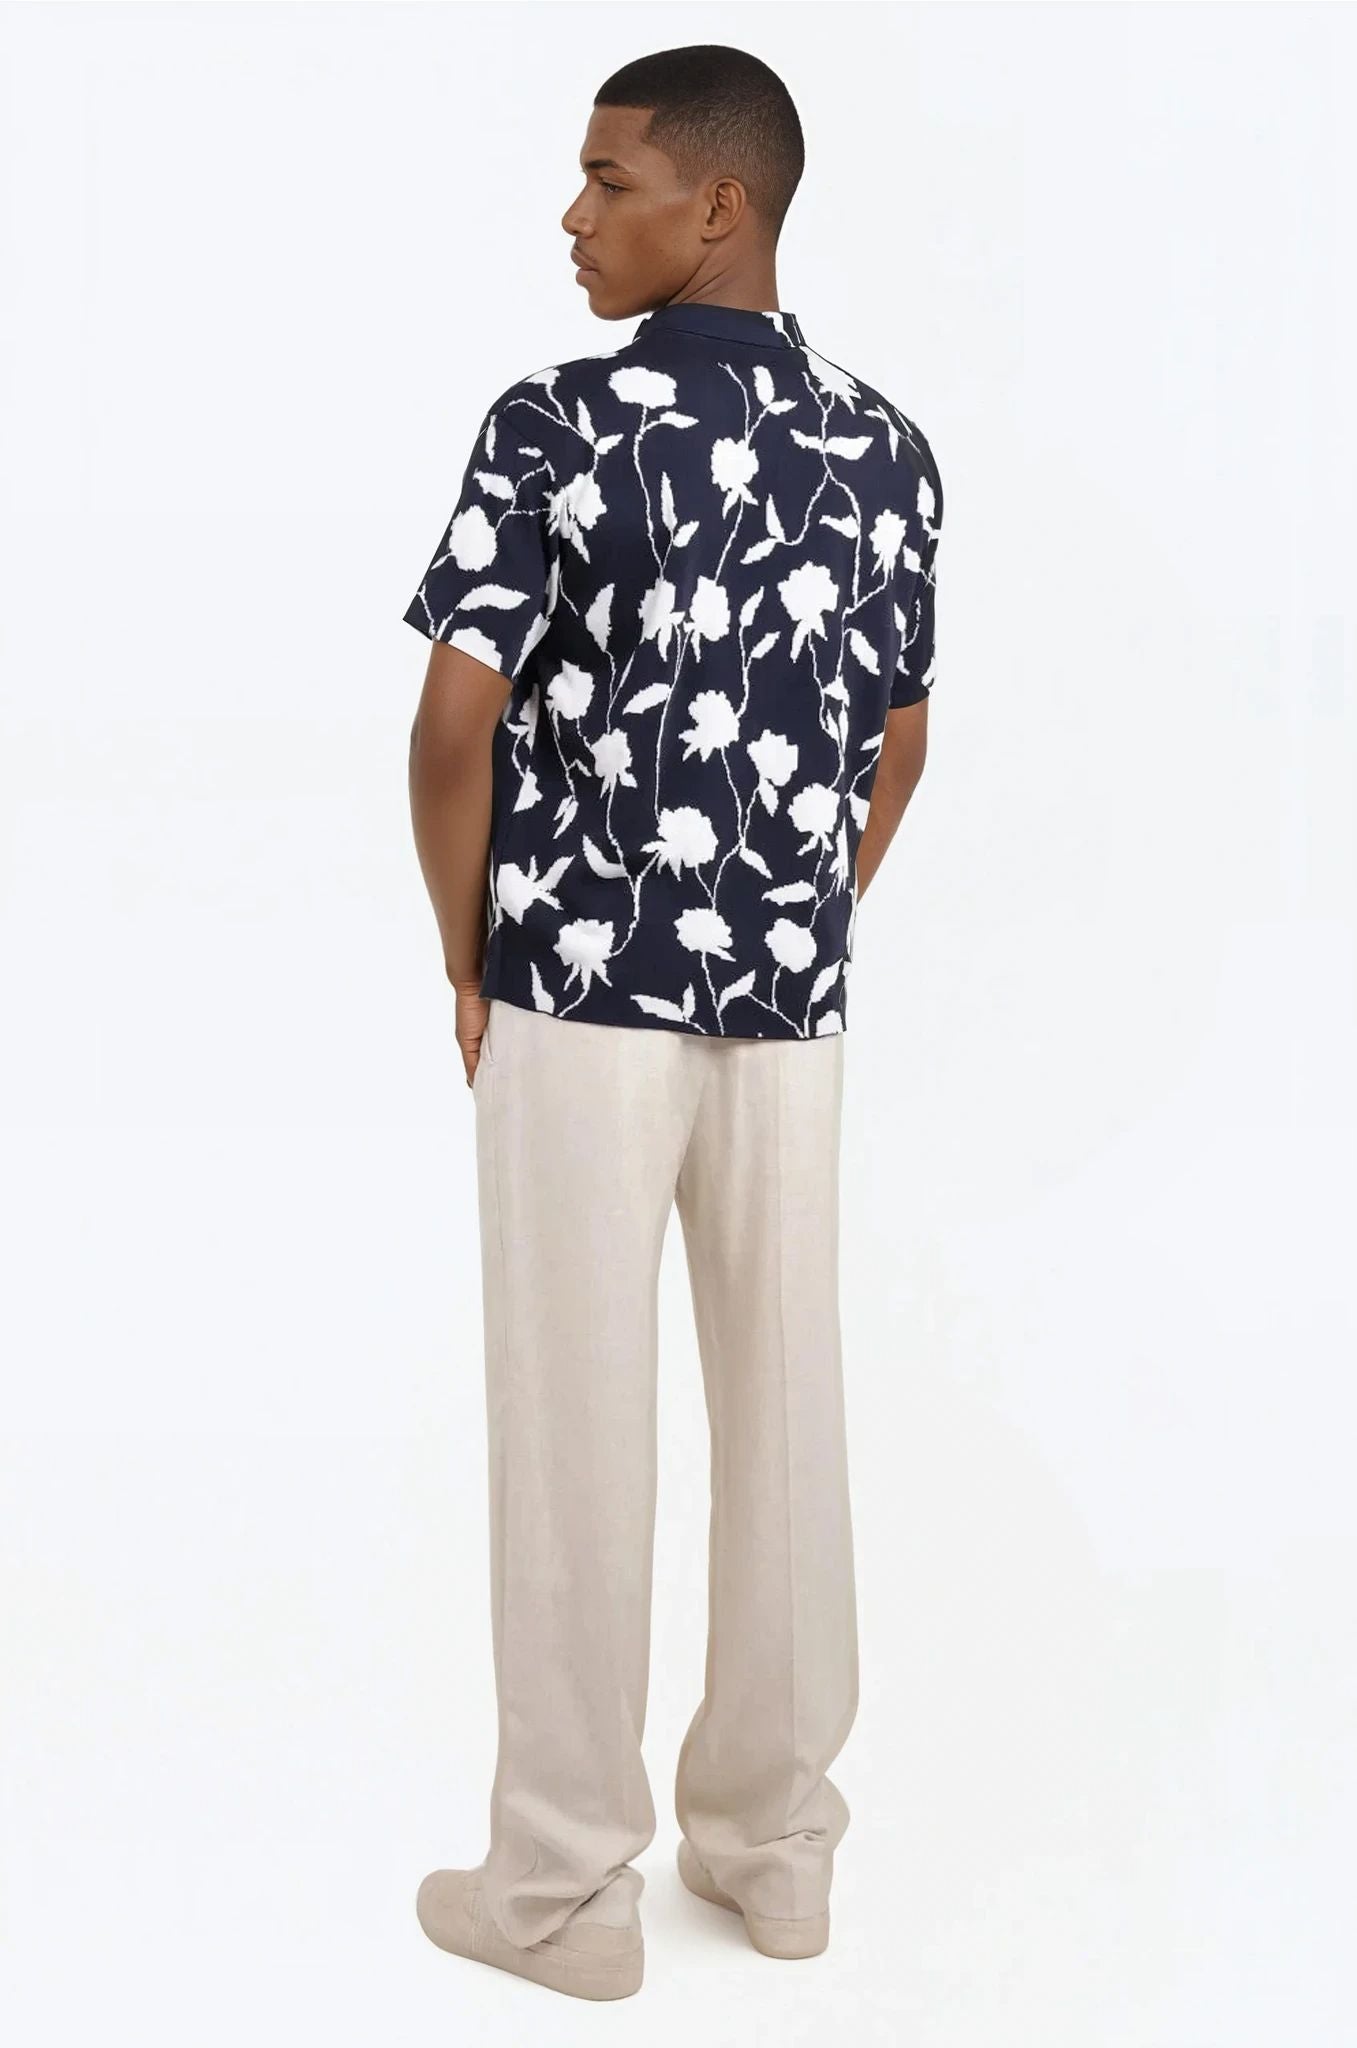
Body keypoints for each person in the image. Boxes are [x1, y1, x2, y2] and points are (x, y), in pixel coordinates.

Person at [403, 42, 942, 2002]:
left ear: (719, 205)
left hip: (574, 983)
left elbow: (453, 726)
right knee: (785, 1405)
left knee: (576, 1419)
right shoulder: (886, 448)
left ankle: (561, 1890)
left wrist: (466, 953)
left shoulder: (554, 423)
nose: (574, 215)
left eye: (608, 179)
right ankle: (775, 1850)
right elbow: (895, 741)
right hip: (786, 1000)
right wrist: (793, 917)